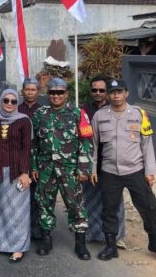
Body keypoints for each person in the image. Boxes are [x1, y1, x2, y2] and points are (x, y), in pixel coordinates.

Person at [91, 79, 156, 262]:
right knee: (109, 209)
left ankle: (155, 243)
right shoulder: (99, 116)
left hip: (135, 170)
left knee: (148, 206)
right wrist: (93, 168)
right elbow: (94, 145)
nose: (116, 95)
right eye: (112, 92)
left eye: (120, 91)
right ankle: (111, 245)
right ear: (108, 95)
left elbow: (147, 144)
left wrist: (149, 172)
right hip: (109, 171)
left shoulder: (139, 114)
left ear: (126, 93)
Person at [31, 78, 92, 260]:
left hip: (69, 169)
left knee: (76, 205)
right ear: (47, 94)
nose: (56, 96)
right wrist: (34, 166)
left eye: (59, 92)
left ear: (66, 94)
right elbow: (33, 142)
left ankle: (80, 243)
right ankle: (46, 239)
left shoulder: (78, 113)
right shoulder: (40, 114)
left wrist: (83, 168)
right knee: (44, 203)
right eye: (52, 92)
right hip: (45, 169)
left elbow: (86, 142)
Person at [81, 75, 127, 244]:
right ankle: (91, 234)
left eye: (102, 90)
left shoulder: (116, 108)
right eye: (94, 90)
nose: (98, 93)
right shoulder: (84, 110)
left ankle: (116, 236)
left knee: (113, 199)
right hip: (89, 161)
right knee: (89, 198)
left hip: (111, 162)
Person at [0, 90, 32, 263]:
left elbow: (26, 148)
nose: (9, 104)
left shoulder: (24, 121)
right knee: (5, 208)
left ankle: (18, 247)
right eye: (6, 100)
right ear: (1, 101)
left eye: (13, 101)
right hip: (1, 172)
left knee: (19, 210)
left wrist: (24, 172)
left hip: (17, 171)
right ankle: (6, 241)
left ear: (17, 103)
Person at [17, 77, 43, 240]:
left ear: (38, 92)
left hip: (40, 159)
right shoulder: (16, 109)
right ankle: (21, 230)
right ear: (22, 91)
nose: (30, 92)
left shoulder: (44, 110)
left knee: (38, 196)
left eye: (33, 89)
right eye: (27, 89)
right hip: (20, 157)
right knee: (20, 195)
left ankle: (38, 230)